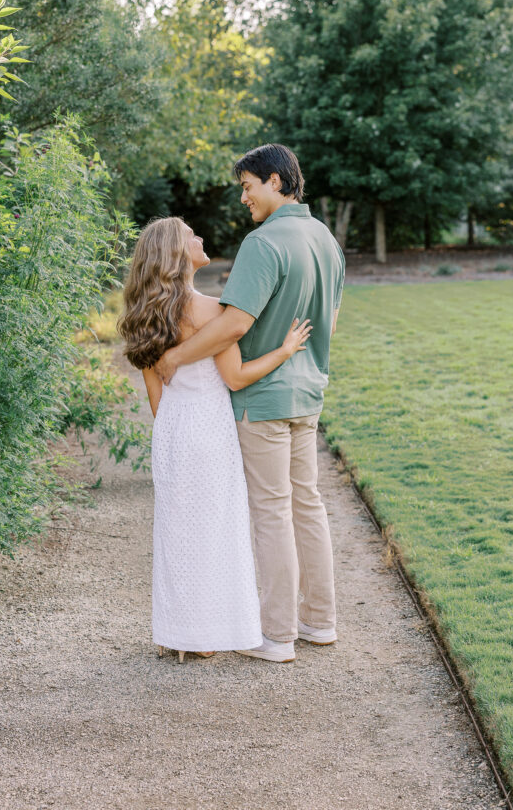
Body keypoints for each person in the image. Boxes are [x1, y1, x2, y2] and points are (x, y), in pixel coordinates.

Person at [155, 144, 345, 663]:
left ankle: (278, 635)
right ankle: (320, 623)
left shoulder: (263, 244)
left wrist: (172, 359)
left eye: (248, 186)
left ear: (277, 182)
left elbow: (233, 325)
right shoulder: (324, 239)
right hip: (308, 392)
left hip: (261, 397)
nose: (244, 198)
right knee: (307, 505)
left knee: (272, 512)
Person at [119, 216, 311, 664]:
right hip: (209, 430)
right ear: (177, 253)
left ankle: (178, 633)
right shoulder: (211, 312)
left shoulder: (143, 315)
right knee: (214, 533)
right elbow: (237, 376)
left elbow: (157, 398)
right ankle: (206, 635)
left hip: (171, 430)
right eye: (191, 235)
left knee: (176, 534)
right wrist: (283, 351)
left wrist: (172, 431)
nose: (200, 238)